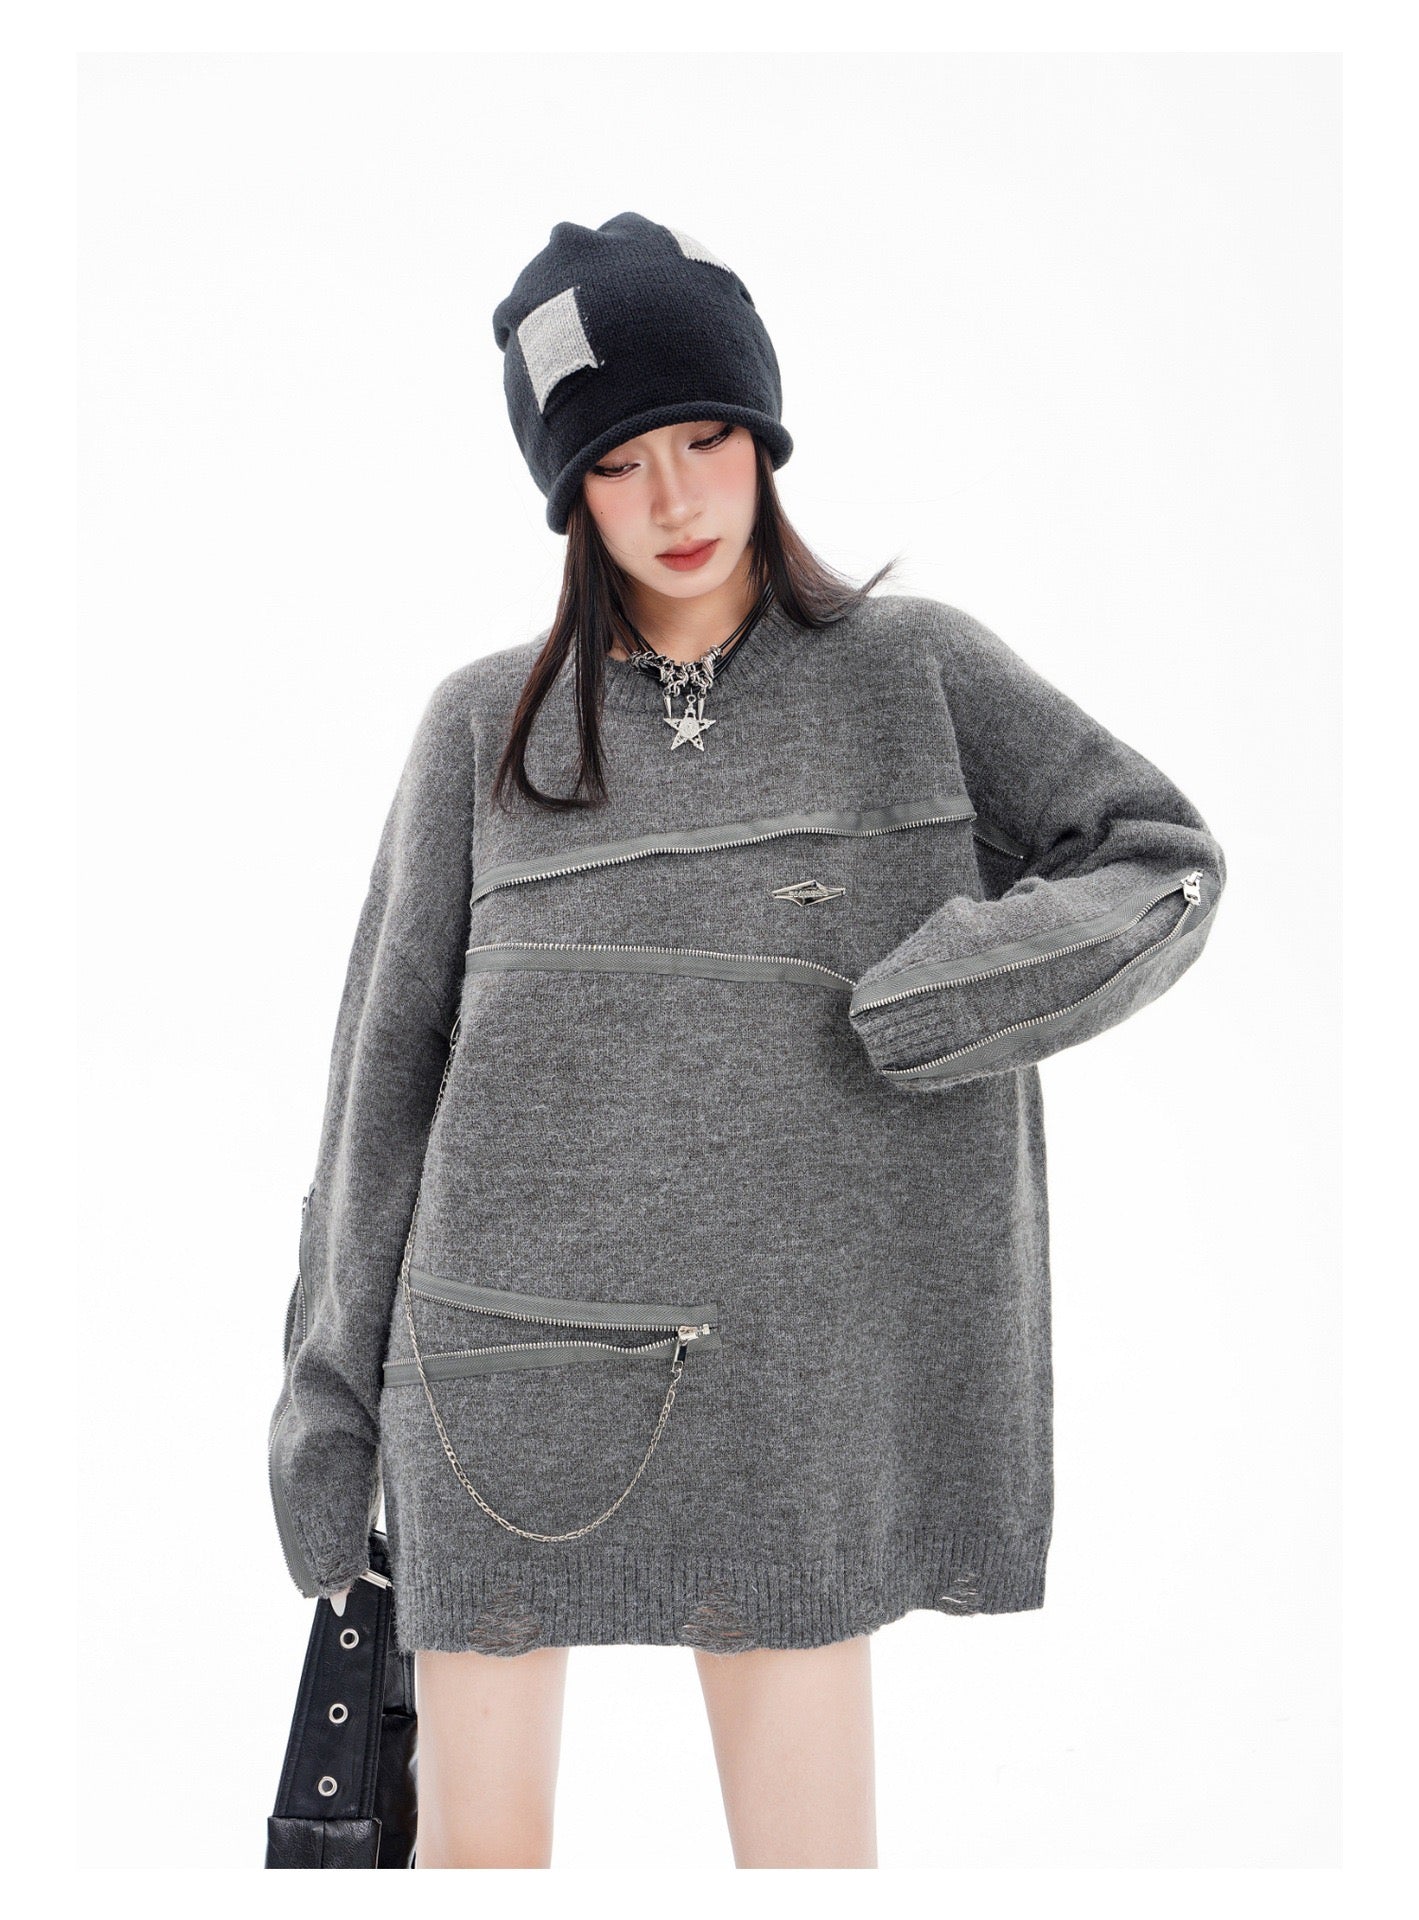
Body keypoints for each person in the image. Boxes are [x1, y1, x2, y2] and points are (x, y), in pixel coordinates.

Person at [268, 212, 1228, 1869]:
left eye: (707, 436)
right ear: (570, 495)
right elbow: (382, 1083)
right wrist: (323, 1411)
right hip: (498, 1379)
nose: (677, 499)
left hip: (793, 1384)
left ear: (765, 435)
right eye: (620, 461)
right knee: (479, 1864)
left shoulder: (913, 675)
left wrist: (960, 984)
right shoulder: (481, 729)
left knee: (808, 1867)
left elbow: (1161, 858)